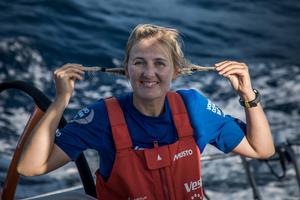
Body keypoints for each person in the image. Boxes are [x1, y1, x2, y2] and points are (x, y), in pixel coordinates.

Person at [17, 24, 275, 199]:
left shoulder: (194, 108)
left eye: (159, 63)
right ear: (126, 69)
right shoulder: (103, 116)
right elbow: (30, 167)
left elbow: (261, 149)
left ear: (175, 71)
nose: (149, 73)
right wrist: (61, 100)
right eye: (139, 62)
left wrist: (247, 95)